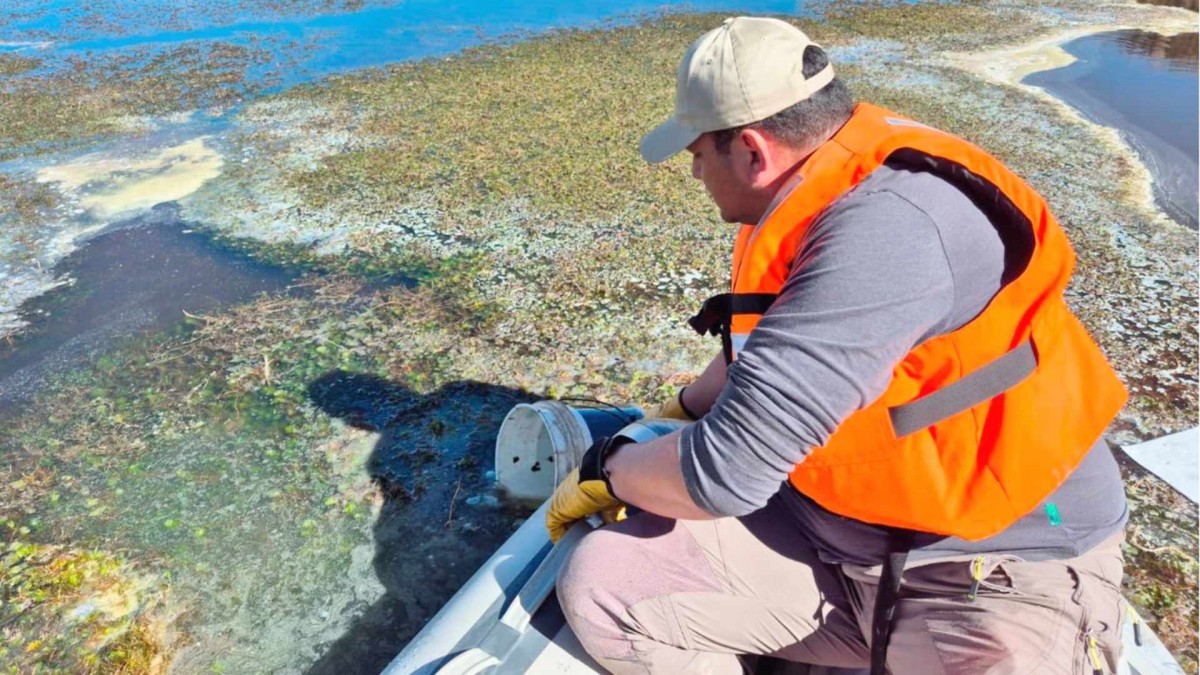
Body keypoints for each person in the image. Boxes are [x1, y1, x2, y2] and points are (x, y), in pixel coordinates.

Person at [546, 15, 1131, 675]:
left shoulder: (889, 231)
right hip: (833, 538)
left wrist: (611, 466)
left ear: (750, 150)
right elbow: (772, 342)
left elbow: (725, 474)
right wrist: (683, 406)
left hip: (993, 564)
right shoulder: (817, 181)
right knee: (606, 583)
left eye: (695, 153)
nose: (693, 172)